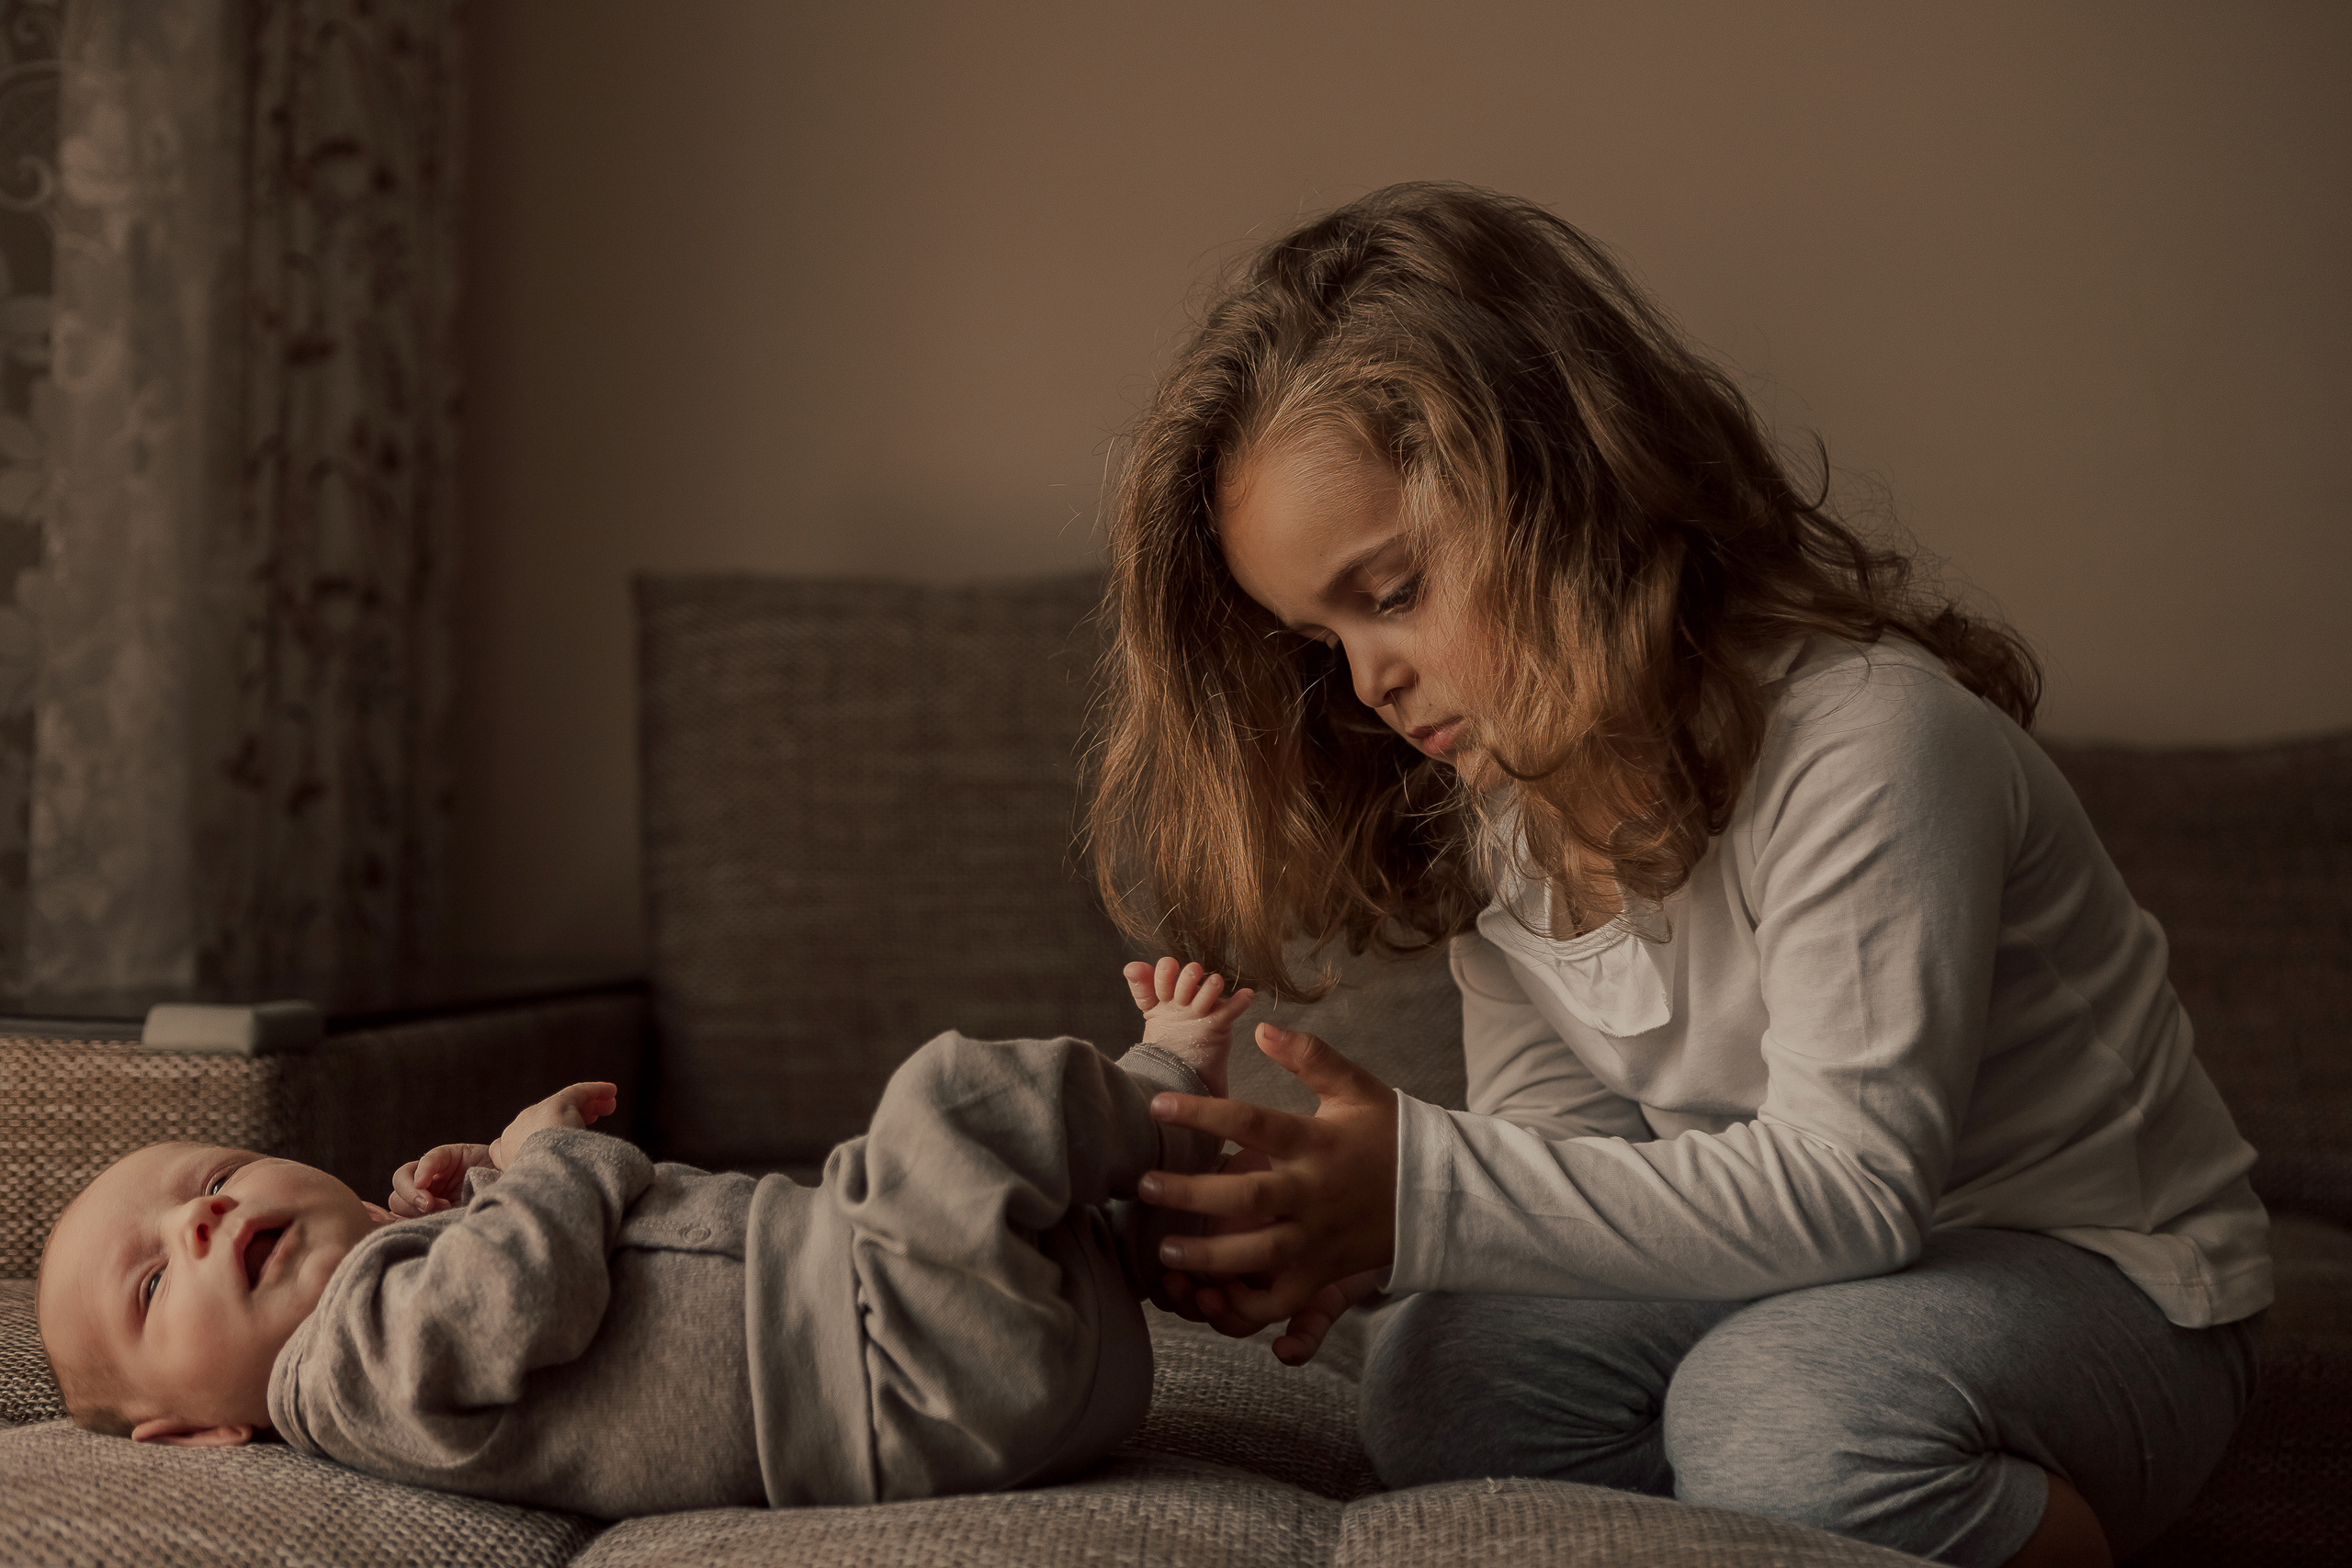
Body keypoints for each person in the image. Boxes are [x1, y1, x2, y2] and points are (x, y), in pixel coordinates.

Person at [1087, 182, 2267, 1568]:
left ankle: (1885, 1494)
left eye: (1392, 591)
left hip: (2097, 1275)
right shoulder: (1502, 801)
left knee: (1781, 1415)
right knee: (1442, 1386)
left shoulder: (1874, 743)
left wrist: (1425, 1190)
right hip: (1809, 1270)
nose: (1368, 679)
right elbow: (1571, 1159)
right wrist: (1376, 1238)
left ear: (1562, 485)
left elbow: (1853, 1188)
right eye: (1320, 637)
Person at [34, 958, 1251, 1517]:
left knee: (1020, 1213)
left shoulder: (389, 1299)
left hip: (959, 1356)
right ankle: (1174, 1121)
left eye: (218, 1177)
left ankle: (1169, 1249)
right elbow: (515, 1303)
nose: (201, 1219)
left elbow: (478, 1285)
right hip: (890, 1368)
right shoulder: (335, 1377)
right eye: (152, 1282)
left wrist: (453, 1196)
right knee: (951, 1107)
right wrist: (549, 1158)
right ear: (197, 1428)